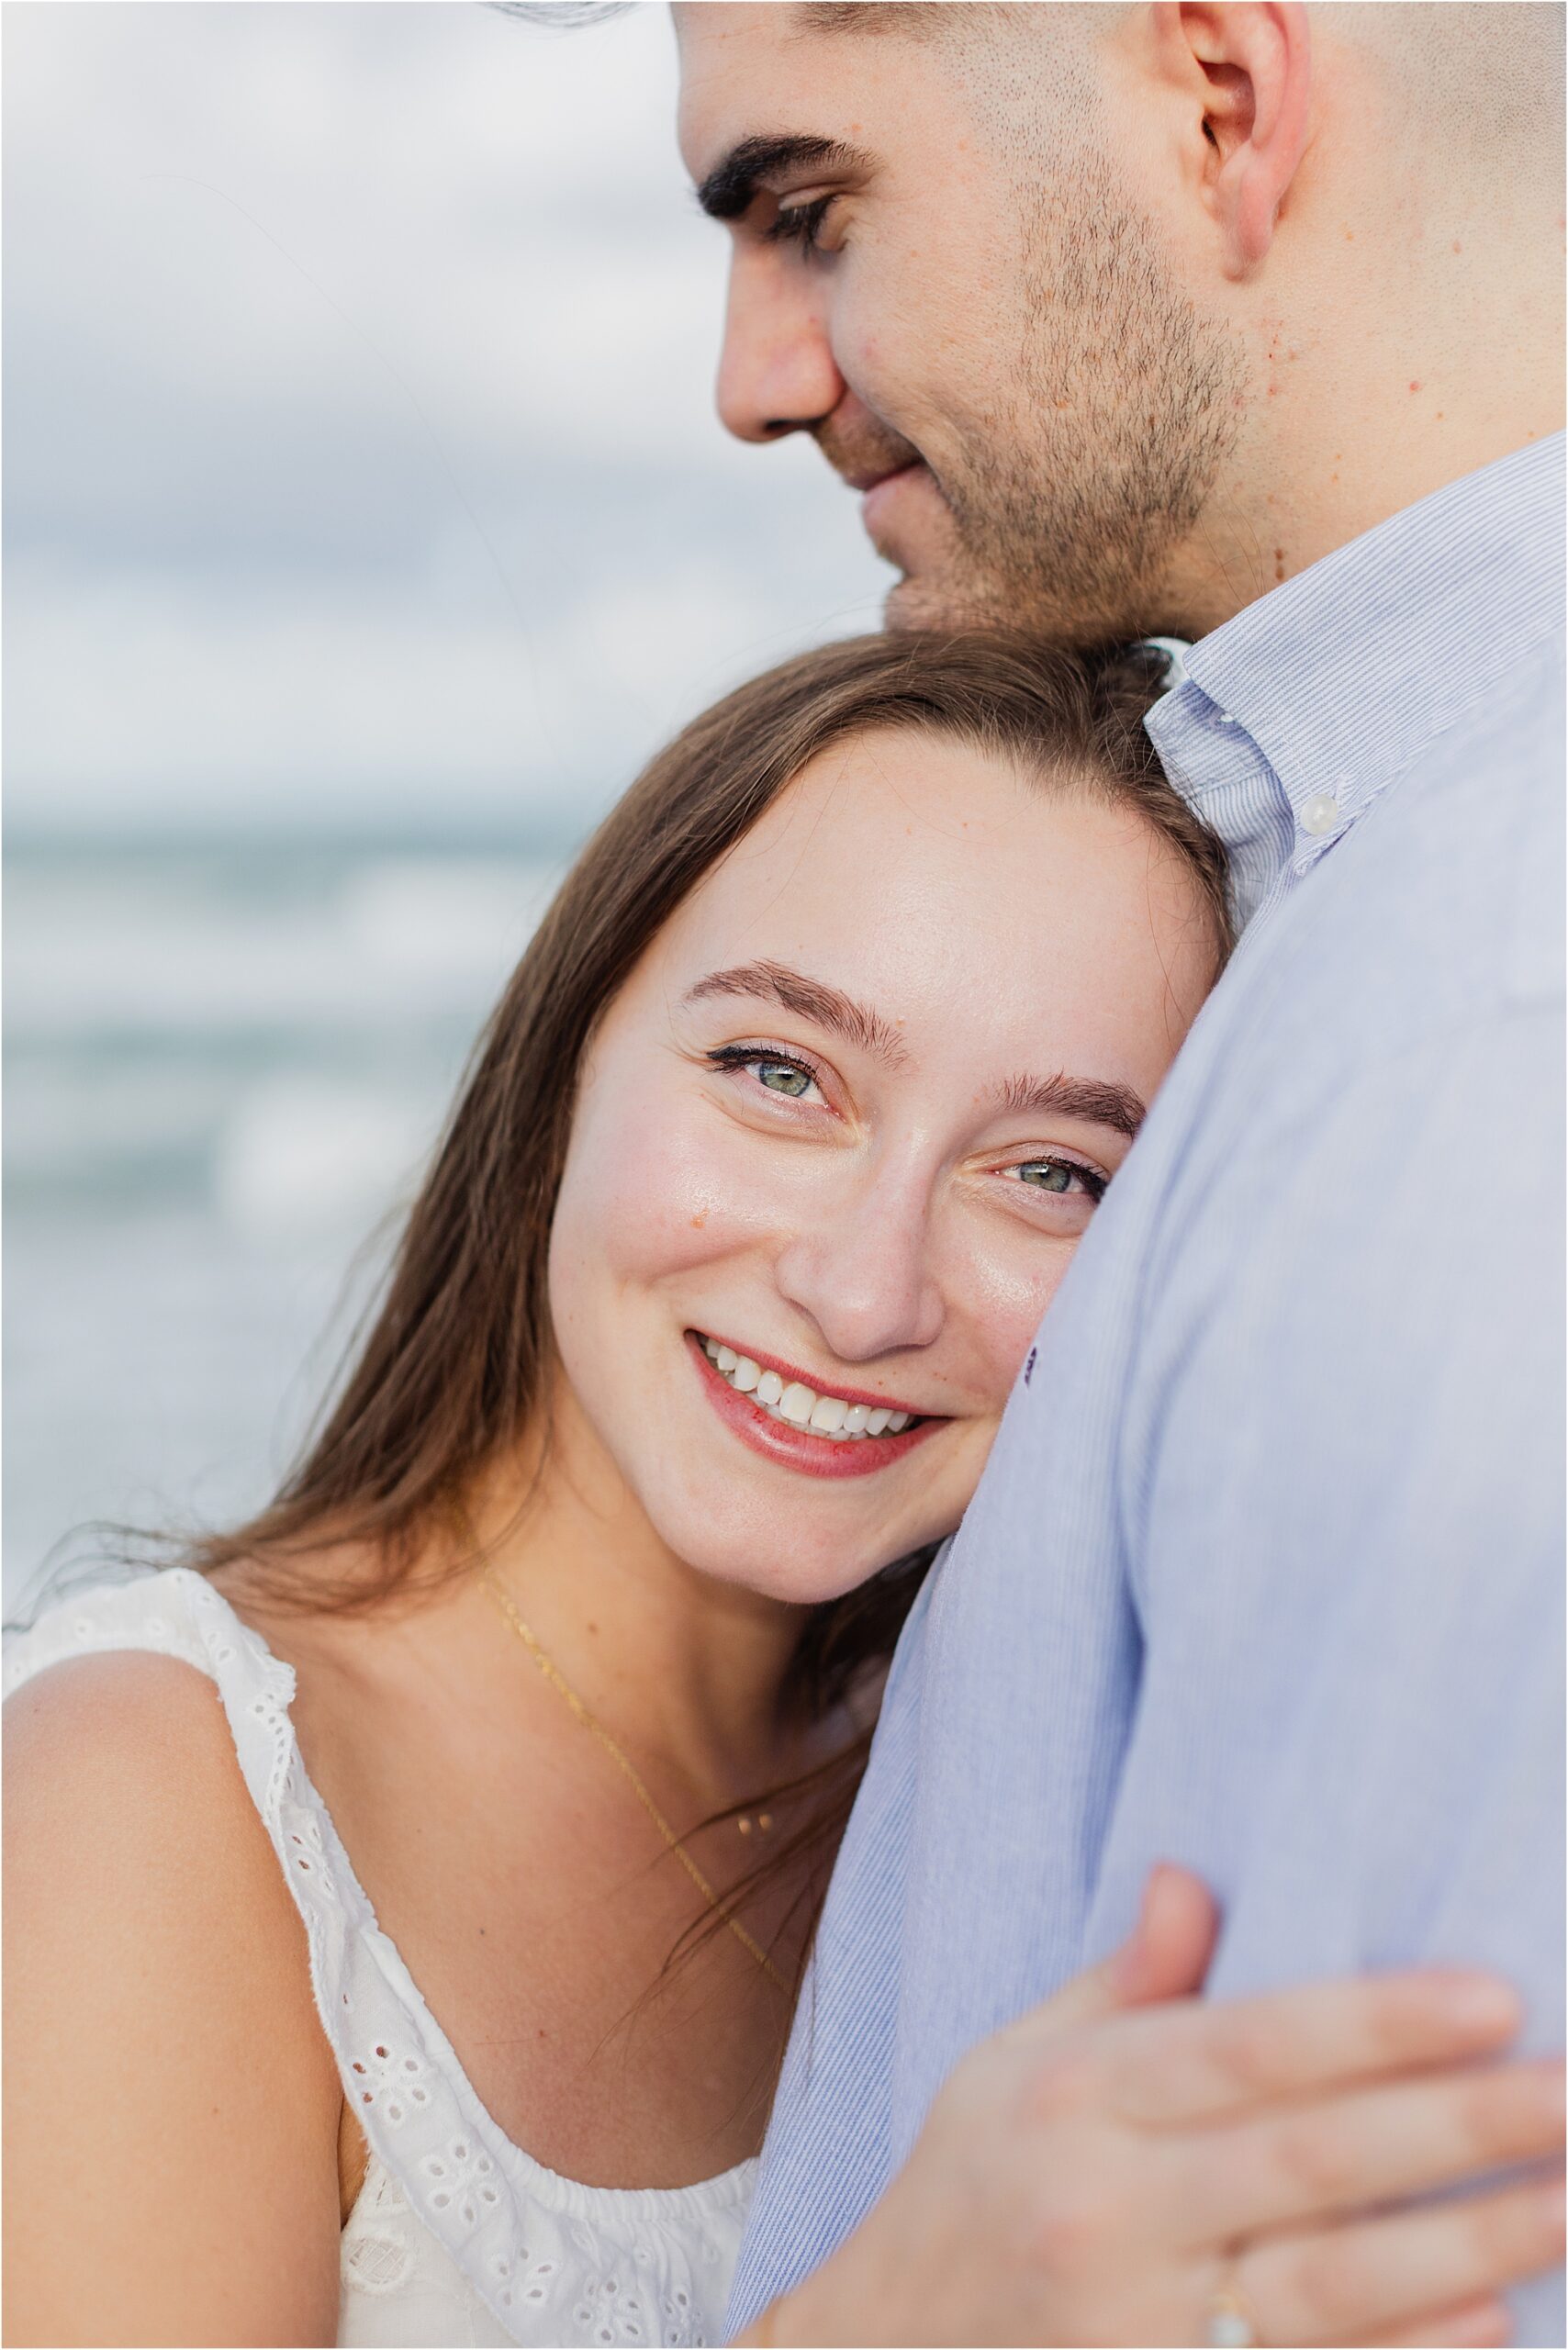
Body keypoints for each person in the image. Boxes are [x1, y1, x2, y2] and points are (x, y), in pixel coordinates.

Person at [6, 637, 1561, 2350]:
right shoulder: (145, 1796)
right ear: (567, 1062)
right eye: (778, 1073)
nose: (865, 1288)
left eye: (1053, 1172)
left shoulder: (1004, 1784)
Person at [669, 5, 1568, 2344]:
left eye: (808, 209)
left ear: (1216, 106)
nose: (756, 375)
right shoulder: (1355, 927)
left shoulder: (1477, 1013)